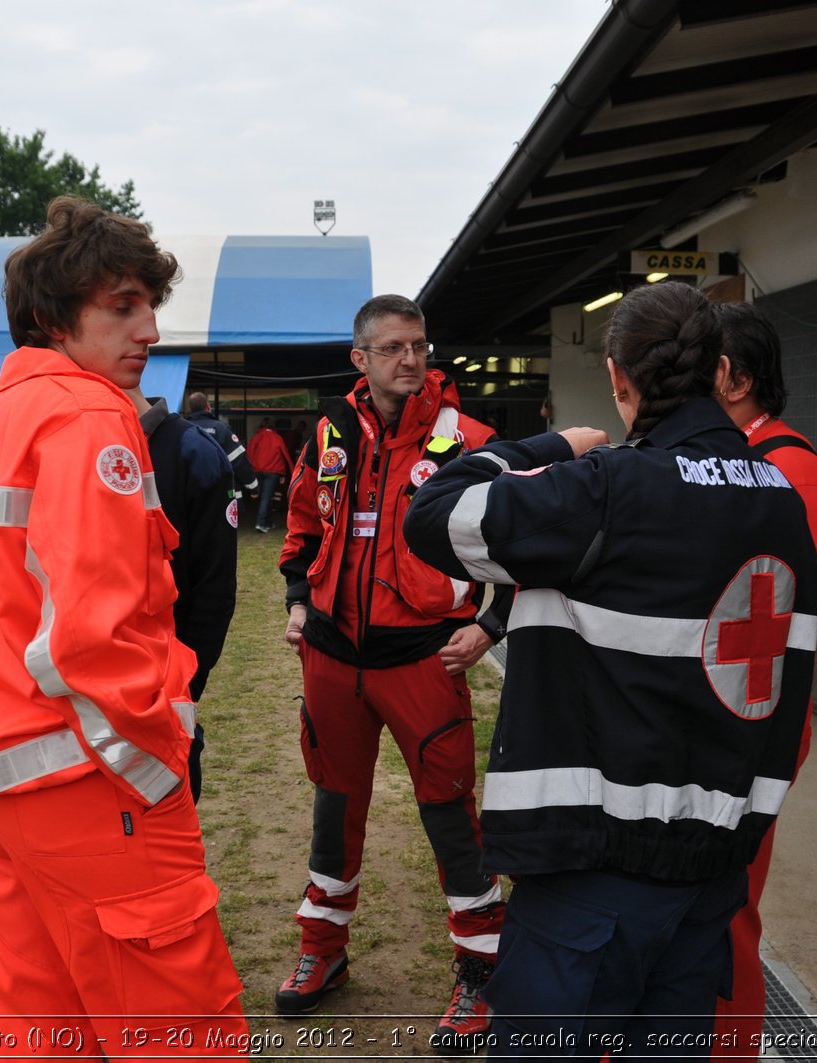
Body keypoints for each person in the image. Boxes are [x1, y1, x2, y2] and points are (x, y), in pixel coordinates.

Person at [402, 281, 817, 1062]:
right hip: (709, 881)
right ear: (718, 369)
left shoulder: (606, 490)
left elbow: (430, 515)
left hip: (593, 881)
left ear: (620, 378)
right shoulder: (784, 499)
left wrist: (549, 446)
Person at [0, 197, 247, 1056]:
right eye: (122, 306)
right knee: (177, 1038)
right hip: (98, 795)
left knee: (44, 1034)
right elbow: (94, 632)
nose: (150, 329)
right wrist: (152, 762)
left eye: (150, 305)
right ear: (54, 319)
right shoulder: (89, 419)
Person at [276, 293, 513, 1050]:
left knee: (449, 811)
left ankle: (481, 972)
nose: (412, 359)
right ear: (361, 359)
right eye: (394, 348)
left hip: (422, 657)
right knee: (332, 805)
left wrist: (488, 623)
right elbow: (304, 523)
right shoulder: (328, 433)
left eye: (419, 345)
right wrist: (294, 599)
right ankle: (323, 949)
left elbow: (517, 542)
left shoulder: (471, 440)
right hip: (331, 653)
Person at [709, 302, 817, 1061]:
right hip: (703, 728)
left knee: (728, 910)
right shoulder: (725, 461)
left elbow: (815, 639)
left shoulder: (799, 475)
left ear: (733, 378)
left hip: (746, 735)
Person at [126, 387, 238, 799]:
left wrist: (185, 686)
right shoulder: (64, 443)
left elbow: (215, 589)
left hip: (165, 691)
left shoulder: (191, 449)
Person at [184, 392, 258, 500]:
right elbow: (238, 460)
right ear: (208, 407)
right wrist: (253, 486)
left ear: (190, 409)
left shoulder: (183, 429)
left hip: (191, 494)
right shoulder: (221, 429)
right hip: (221, 493)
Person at [245, 420, 293, 532]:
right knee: (267, 498)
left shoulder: (256, 437)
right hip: (273, 472)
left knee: (263, 498)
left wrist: (249, 470)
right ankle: (260, 523)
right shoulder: (277, 438)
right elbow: (284, 455)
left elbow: (249, 453)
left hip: (257, 471)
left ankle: (268, 522)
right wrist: (285, 473)